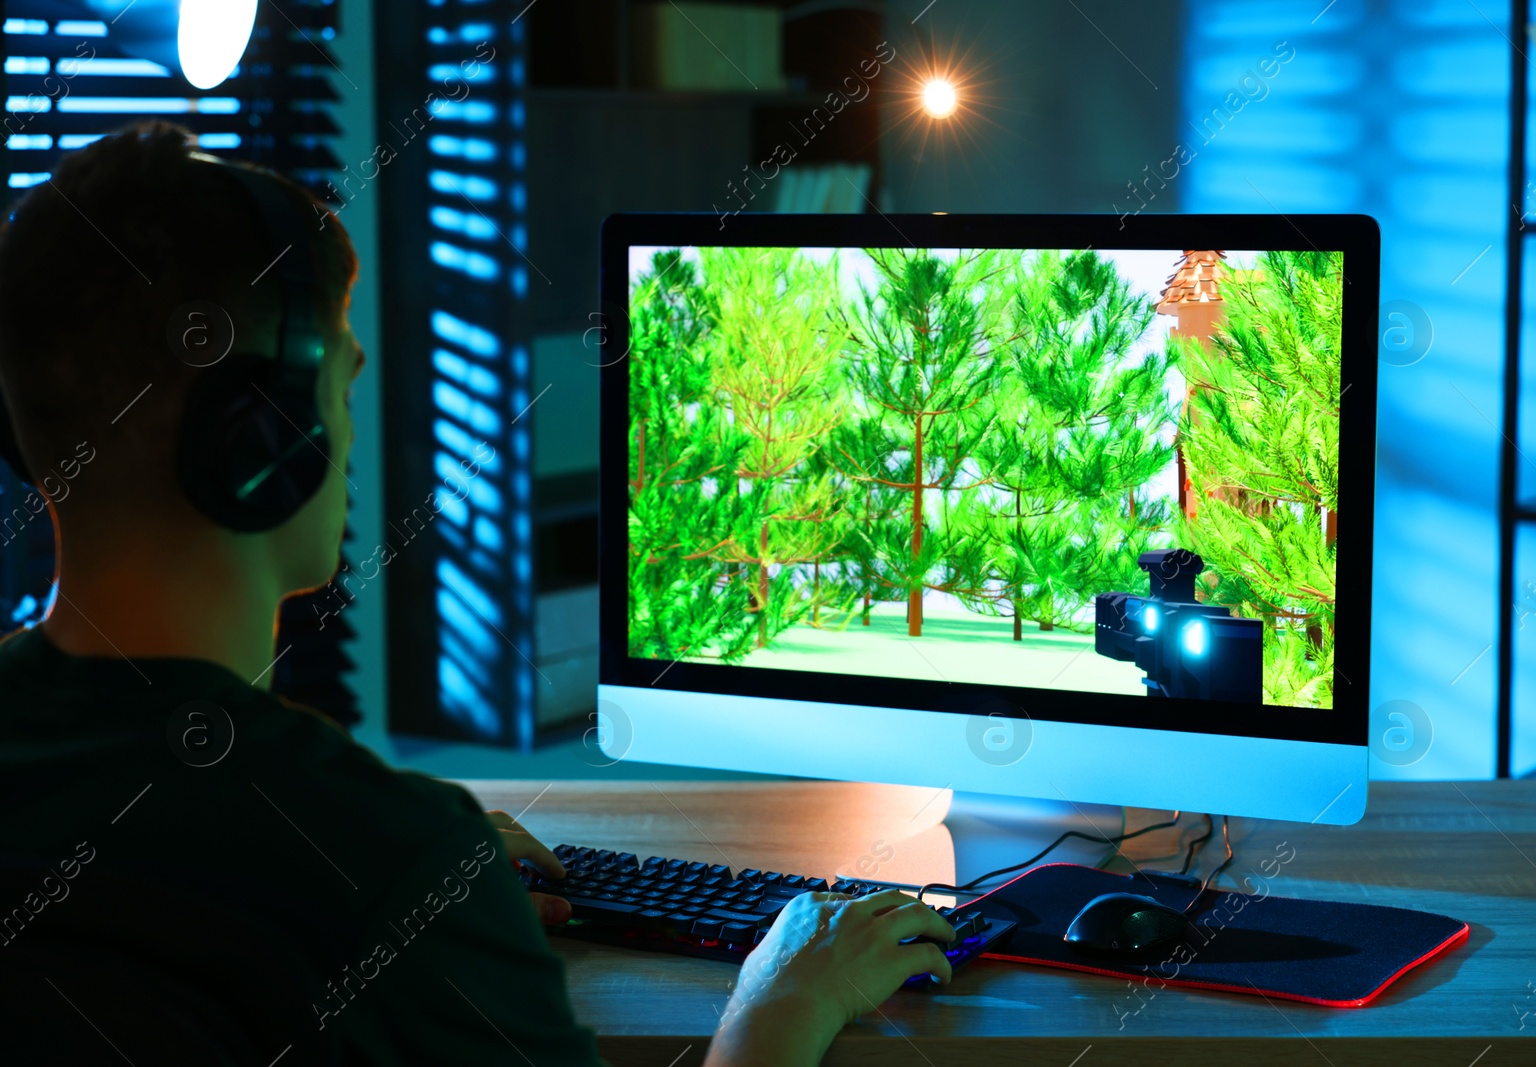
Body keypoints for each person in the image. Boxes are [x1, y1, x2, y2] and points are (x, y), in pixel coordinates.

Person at [0, 121, 957, 1065]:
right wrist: (789, 994)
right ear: (264, 442)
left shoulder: (386, 856)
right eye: (341, 381)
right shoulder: (386, 864)